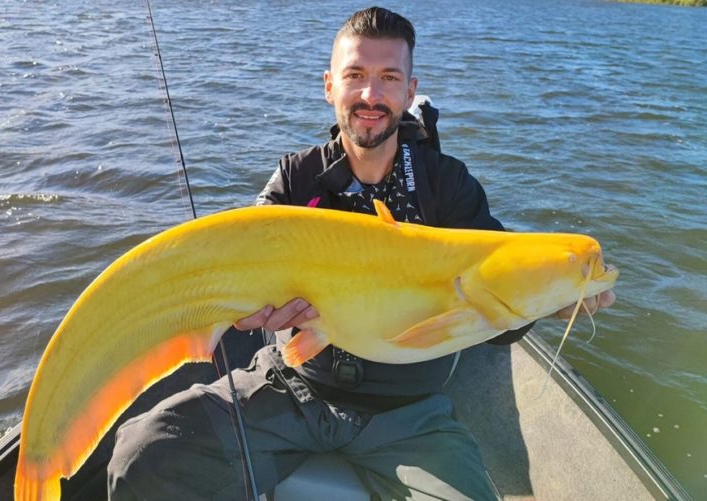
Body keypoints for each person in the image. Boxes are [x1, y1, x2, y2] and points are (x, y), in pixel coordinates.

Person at [108, 7, 616, 500]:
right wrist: (250, 314)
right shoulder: (295, 179)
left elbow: (499, 298)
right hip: (294, 385)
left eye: (390, 77)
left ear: (409, 91)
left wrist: (554, 301)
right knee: (144, 455)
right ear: (330, 84)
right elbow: (240, 270)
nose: (371, 95)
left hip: (411, 412)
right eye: (356, 75)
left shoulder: (448, 184)